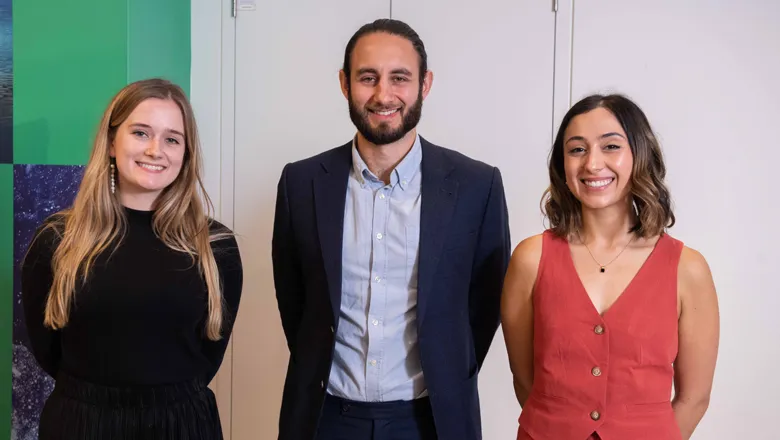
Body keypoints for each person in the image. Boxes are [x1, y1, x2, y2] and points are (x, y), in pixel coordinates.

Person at [272, 18, 511, 440]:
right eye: (368, 77)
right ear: (345, 84)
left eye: (400, 77)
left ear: (425, 84)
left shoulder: (477, 186)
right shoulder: (301, 183)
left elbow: (484, 306)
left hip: (432, 422)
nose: (384, 95)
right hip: (324, 419)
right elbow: (297, 303)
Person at [21, 78, 243, 440]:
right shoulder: (58, 240)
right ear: (111, 142)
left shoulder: (214, 246)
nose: (156, 150)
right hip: (81, 423)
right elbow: (47, 348)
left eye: (172, 139)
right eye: (141, 133)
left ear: (186, 153)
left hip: (183, 425)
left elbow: (209, 353)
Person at [501, 94, 720, 440]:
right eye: (577, 150)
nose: (592, 164)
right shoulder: (530, 259)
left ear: (639, 155)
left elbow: (694, 398)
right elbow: (524, 380)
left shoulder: (687, 269)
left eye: (611, 146)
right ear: (562, 165)